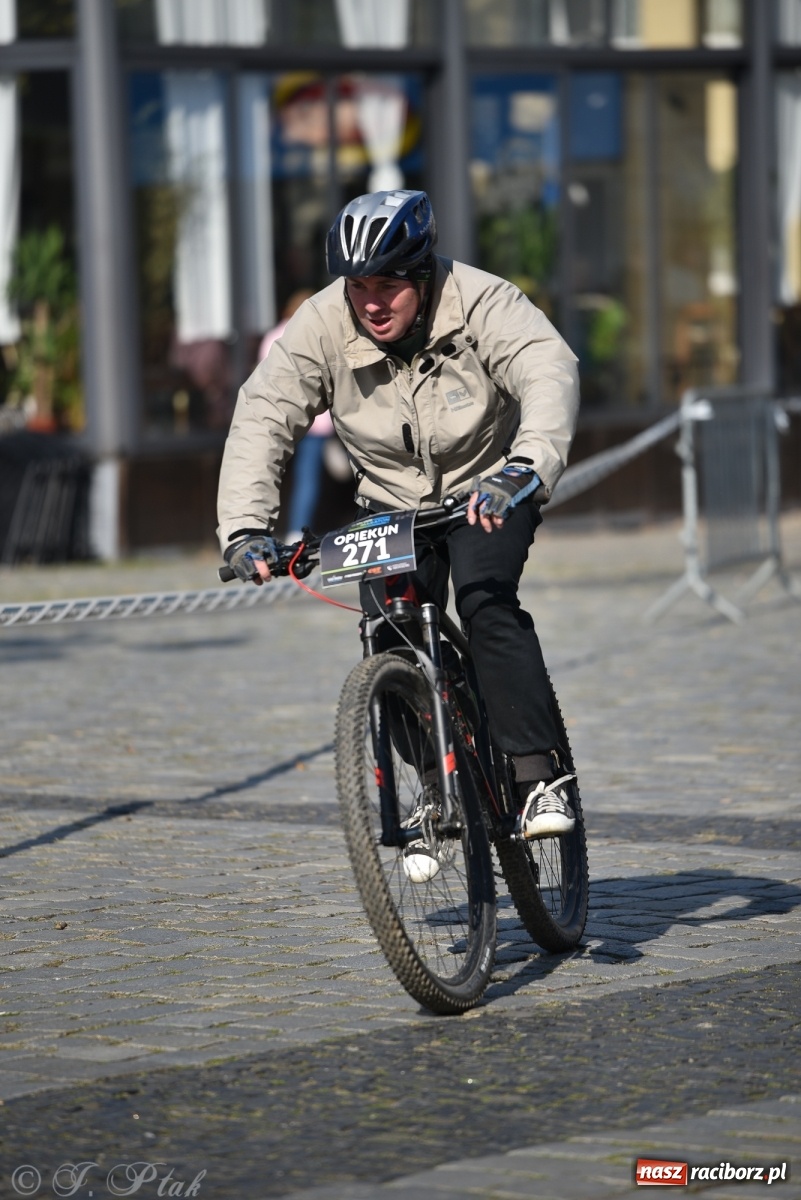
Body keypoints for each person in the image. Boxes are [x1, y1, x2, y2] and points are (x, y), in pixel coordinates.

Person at [217, 189, 581, 839]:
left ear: (421, 275)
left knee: (484, 601)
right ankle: (435, 787)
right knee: (390, 631)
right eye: (359, 287)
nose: (372, 302)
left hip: (486, 487)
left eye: (387, 285)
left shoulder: (479, 300)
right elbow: (263, 415)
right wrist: (245, 528)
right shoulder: (322, 322)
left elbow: (545, 368)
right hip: (388, 501)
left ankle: (538, 776)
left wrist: (525, 466)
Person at [258, 289, 335, 538]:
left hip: (281, 419)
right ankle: (296, 530)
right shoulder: (320, 334)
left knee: (269, 475)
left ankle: (263, 531)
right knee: (308, 479)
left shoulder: (272, 336)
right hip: (316, 421)